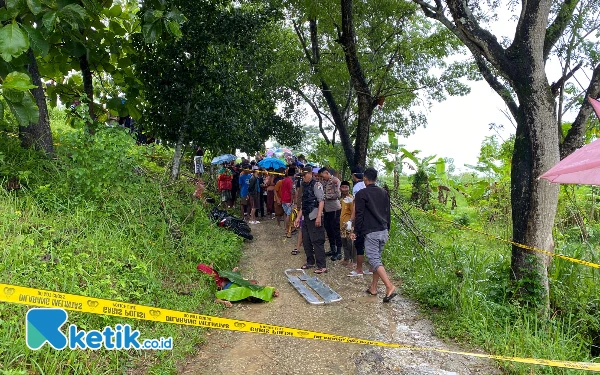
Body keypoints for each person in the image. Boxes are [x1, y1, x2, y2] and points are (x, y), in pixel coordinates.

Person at [351, 167, 396, 302]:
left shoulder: (362, 194)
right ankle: (373, 288)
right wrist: (387, 228)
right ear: (375, 179)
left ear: (365, 179)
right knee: (377, 260)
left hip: (371, 232)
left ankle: (389, 286)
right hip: (383, 231)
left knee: (374, 260)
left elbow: (359, 215)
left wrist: (355, 232)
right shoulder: (384, 192)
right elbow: (388, 213)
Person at [197, 264, 279, 307]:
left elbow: (216, 299)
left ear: (249, 299)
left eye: (250, 296)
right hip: (226, 278)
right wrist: (273, 291)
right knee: (253, 285)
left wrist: (224, 302)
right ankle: (210, 268)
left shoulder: (236, 296)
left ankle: (209, 268)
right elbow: (260, 289)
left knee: (200, 266)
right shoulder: (246, 289)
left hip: (219, 282)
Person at [294, 166, 327, 274]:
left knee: (317, 240)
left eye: (304, 175)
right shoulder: (304, 185)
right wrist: (298, 218)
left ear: (310, 174)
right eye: (302, 176)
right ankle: (310, 261)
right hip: (306, 216)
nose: (303, 178)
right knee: (306, 240)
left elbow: (321, 201)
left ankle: (322, 266)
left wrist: (318, 217)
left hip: (314, 216)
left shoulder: (316, 185)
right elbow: (304, 204)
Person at [347, 165, 372, 277]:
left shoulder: (357, 187)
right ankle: (372, 268)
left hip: (361, 218)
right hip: (372, 219)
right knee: (371, 245)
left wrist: (352, 219)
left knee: (359, 243)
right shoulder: (374, 188)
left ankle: (359, 269)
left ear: (354, 175)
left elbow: (356, 205)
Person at [319, 167, 342, 261]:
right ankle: (333, 249)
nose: (322, 177)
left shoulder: (335, 181)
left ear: (326, 173)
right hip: (326, 209)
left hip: (334, 209)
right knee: (328, 230)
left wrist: (326, 196)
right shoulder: (324, 182)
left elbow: (338, 195)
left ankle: (339, 252)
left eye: (322, 175)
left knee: (336, 230)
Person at [339, 181, 355, 267]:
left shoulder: (351, 199)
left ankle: (352, 261)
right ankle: (346, 258)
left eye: (346, 187)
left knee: (350, 242)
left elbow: (353, 211)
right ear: (340, 188)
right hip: (342, 224)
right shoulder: (341, 199)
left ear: (349, 188)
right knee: (344, 242)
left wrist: (352, 223)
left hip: (348, 224)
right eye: (343, 187)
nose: (344, 189)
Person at [280, 168, 295, 238]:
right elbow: (291, 191)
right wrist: (292, 201)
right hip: (288, 200)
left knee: (286, 214)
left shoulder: (284, 180)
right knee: (289, 215)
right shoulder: (290, 181)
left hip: (283, 199)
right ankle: (288, 230)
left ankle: (286, 229)